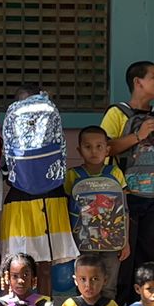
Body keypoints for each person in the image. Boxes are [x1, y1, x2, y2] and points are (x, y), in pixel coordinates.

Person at [102, 60, 154, 305]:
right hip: (127, 195)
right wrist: (138, 136)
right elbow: (105, 147)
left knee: (150, 254)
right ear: (138, 82)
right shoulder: (117, 113)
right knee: (124, 255)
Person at [0, 82, 78, 296]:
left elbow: (5, 169)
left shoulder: (10, 121)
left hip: (20, 198)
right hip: (51, 196)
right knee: (29, 267)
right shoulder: (50, 113)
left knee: (32, 265)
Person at [64, 125, 129, 294]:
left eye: (99, 146)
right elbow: (65, 211)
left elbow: (124, 211)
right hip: (82, 242)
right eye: (88, 147)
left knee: (108, 285)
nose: (93, 151)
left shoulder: (115, 173)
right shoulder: (72, 176)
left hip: (112, 242)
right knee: (84, 285)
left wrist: (125, 240)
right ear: (79, 150)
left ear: (107, 149)